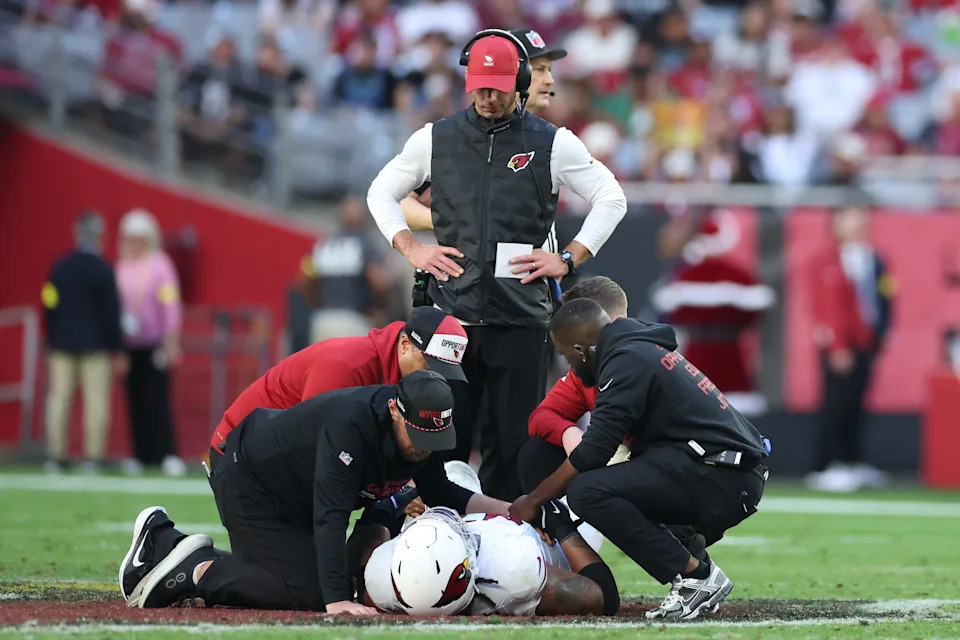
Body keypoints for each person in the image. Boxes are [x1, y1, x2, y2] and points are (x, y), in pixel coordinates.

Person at [367, 29, 627, 500]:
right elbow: (379, 191)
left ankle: (507, 549)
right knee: (442, 443)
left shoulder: (553, 142)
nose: (487, 97)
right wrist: (411, 248)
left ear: (520, 82)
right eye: (480, 86)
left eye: (498, 87)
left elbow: (612, 198)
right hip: (451, 320)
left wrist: (568, 258)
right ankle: (443, 546)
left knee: (514, 448)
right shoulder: (435, 138)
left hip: (521, 320)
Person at [120, 370, 511, 614]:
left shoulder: (418, 435)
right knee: (310, 591)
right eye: (421, 435)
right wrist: (336, 600)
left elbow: (441, 490)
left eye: (436, 437)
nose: (426, 447)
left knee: (328, 575)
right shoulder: (351, 426)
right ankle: (196, 568)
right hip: (250, 480)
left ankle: (180, 550)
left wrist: (510, 511)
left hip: (295, 491)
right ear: (395, 410)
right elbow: (331, 513)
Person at [509, 299, 769, 621]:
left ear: (581, 350)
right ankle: (695, 563)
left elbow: (593, 452)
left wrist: (533, 500)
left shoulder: (626, 361)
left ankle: (695, 577)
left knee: (588, 491)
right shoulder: (637, 351)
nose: (567, 364)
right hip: (722, 469)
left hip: (722, 474)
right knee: (620, 478)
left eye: (565, 356)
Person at [208, 305, 467, 455]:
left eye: (444, 370)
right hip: (240, 451)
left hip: (277, 449)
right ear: (404, 344)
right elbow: (313, 444)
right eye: (430, 364)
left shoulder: (394, 372)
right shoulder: (346, 367)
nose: (435, 377)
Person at [398, 27, 568, 231]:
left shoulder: (552, 137)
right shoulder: (457, 137)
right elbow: (400, 201)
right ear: (518, 73)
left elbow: (607, 196)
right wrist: (450, 223)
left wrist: (568, 259)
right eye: (539, 69)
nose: (550, 80)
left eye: (549, 70)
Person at [363, 503, 619, 616]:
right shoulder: (514, 569)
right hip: (536, 535)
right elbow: (602, 597)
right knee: (587, 510)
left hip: (499, 522)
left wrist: (389, 506)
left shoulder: (380, 581)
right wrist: (558, 523)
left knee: (455, 472)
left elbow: (365, 548)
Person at [805, 204, 893, 492]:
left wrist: (882, 334)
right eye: (851, 220)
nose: (858, 225)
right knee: (836, 404)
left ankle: (853, 462)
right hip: (841, 344)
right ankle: (828, 464)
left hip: (866, 341)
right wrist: (837, 345)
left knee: (857, 404)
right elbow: (827, 307)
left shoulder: (874, 259)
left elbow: (885, 297)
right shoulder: (827, 260)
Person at [41, 211, 125, 474]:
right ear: (99, 235)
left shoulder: (59, 267)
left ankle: (56, 455)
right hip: (95, 346)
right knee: (96, 401)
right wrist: (118, 348)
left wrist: (53, 338)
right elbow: (112, 313)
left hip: (63, 344)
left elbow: (49, 304)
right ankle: (92, 457)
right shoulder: (103, 269)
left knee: (59, 399)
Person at [115, 209, 186, 477]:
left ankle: (167, 452)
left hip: (156, 342)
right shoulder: (122, 266)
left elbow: (170, 302)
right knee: (134, 400)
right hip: (130, 344)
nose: (131, 244)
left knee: (159, 399)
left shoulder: (160, 264)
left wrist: (170, 338)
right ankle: (140, 454)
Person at [300, 194, 390, 342]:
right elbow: (380, 283)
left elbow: (305, 280)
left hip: (323, 319)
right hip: (353, 320)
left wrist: (319, 304)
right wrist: (379, 310)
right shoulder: (365, 243)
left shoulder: (324, 244)